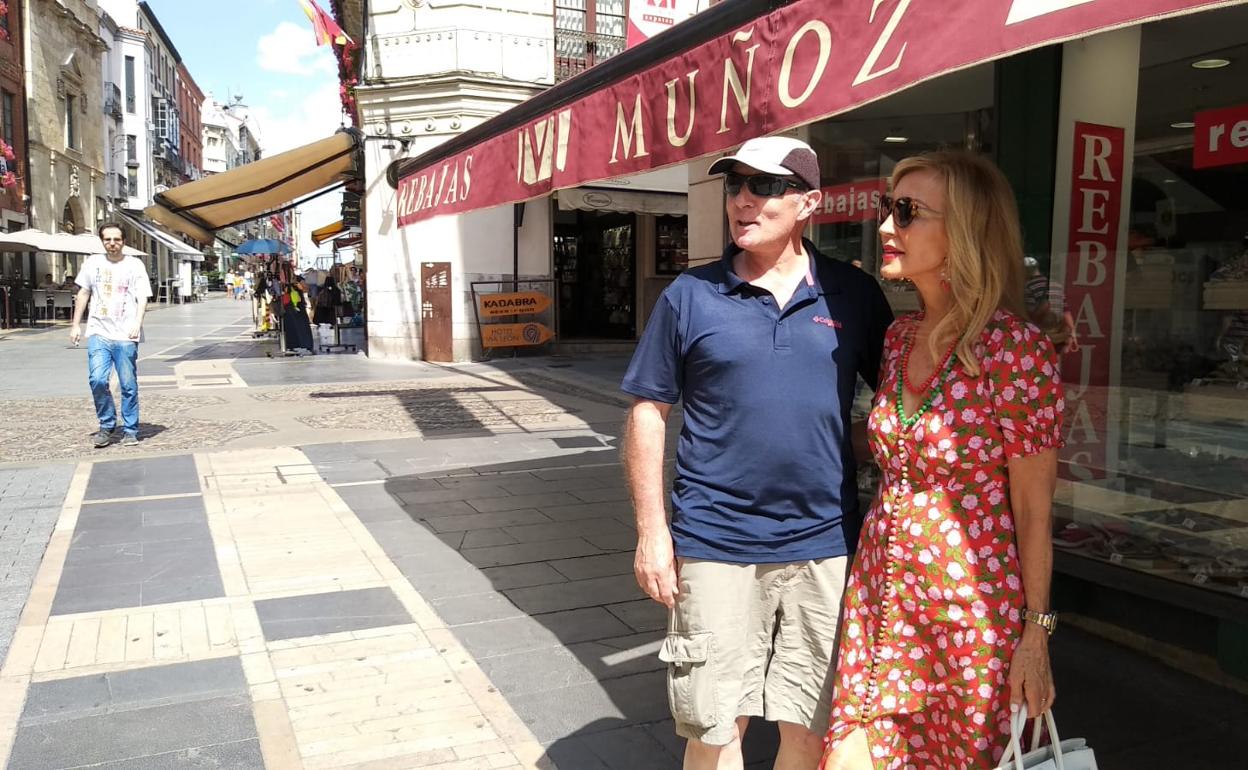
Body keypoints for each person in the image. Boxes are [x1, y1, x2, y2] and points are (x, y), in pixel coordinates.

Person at [621, 136, 893, 770]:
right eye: (734, 186)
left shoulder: (852, 295)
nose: (744, 200)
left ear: (809, 203)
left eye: (765, 187)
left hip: (825, 543)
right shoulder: (690, 296)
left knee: (812, 726)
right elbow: (647, 413)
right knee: (715, 728)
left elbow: (901, 407)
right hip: (715, 543)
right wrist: (652, 532)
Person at [821, 151, 1064, 770]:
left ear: (964, 231)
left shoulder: (1015, 350)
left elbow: (1035, 509)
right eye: (888, 208)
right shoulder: (900, 339)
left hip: (969, 616)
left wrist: (1036, 631)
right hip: (881, 594)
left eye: (906, 212)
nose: (885, 227)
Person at [69, 223, 152, 448]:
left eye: (116, 239)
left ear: (123, 241)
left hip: (126, 333)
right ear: (102, 241)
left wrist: (138, 323)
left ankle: (130, 429)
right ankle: (106, 424)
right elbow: (83, 293)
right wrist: (76, 324)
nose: (112, 243)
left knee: (127, 383)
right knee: (97, 379)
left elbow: (143, 297)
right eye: (107, 239)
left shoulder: (134, 265)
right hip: (99, 331)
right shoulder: (92, 263)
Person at [1023, 257, 1078, 353]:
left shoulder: (1027, 287)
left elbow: (1029, 317)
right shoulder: (1055, 285)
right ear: (1037, 268)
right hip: (1058, 335)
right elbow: (1066, 312)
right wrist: (1072, 334)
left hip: (1041, 335)